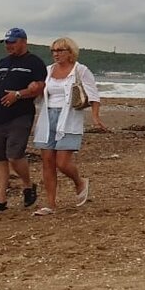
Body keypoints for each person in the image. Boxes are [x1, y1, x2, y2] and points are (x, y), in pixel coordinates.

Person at [0, 27, 47, 212]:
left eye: (12, 42)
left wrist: (18, 95)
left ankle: (28, 185)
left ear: (23, 41)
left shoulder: (34, 62)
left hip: (20, 116)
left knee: (14, 156)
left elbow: (40, 87)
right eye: (6, 42)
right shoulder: (2, 63)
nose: (8, 45)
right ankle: (0, 200)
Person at [29, 36, 105, 216]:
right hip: (47, 118)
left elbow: (94, 95)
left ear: (70, 52)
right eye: (53, 51)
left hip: (69, 118)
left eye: (60, 50)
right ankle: (51, 204)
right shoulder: (47, 71)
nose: (56, 54)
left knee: (62, 163)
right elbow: (39, 93)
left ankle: (79, 182)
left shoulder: (81, 70)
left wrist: (95, 117)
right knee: (47, 162)